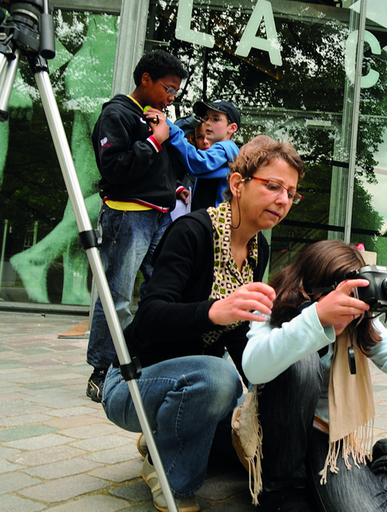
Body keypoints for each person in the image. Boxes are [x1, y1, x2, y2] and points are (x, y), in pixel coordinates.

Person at [101, 135, 305, 512]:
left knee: (247, 405)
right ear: (237, 184)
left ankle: (162, 437)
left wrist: (276, 369)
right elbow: (149, 318)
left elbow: (240, 337)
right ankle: (171, 477)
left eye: (291, 193)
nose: (283, 200)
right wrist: (215, 311)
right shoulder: (192, 232)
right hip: (132, 380)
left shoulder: (258, 249)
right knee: (218, 380)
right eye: (273, 186)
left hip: (189, 380)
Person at [240, 240, 387, 512]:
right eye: (339, 294)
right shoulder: (272, 303)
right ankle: (282, 489)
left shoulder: (361, 318)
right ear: (309, 288)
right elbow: (254, 368)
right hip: (277, 426)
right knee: (302, 361)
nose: (348, 304)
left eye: (354, 294)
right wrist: (316, 318)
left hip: (328, 432)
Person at [84, 50, 189, 403]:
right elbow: (114, 168)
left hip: (160, 216)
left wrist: (173, 186)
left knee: (161, 292)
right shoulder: (116, 114)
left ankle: (143, 356)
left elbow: (161, 165)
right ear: (145, 79)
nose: (172, 96)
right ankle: (102, 369)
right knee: (116, 295)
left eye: (176, 90)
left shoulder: (154, 116)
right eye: (168, 88)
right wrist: (154, 140)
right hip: (128, 216)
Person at [166, 99, 242, 210]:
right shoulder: (229, 151)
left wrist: (170, 128)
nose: (207, 123)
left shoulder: (225, 148)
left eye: (216, 119)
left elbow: (196, 163)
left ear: (232, 128)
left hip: (212, 222)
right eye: (206, 118)